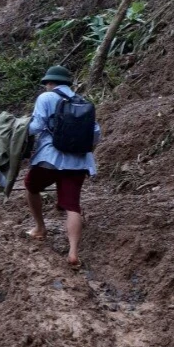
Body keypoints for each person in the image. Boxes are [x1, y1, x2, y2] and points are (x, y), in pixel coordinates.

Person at [24, 65, 101, 269]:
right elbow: (96, 133)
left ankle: (40, 228)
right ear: (68, 83)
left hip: (50, 157)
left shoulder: (46, 98)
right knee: (72, 205)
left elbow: (37, 126)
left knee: (31, 186)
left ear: (50, 83)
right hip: (78, 161)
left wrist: (19, 127)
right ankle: (73, 253)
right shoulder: (83, 102)